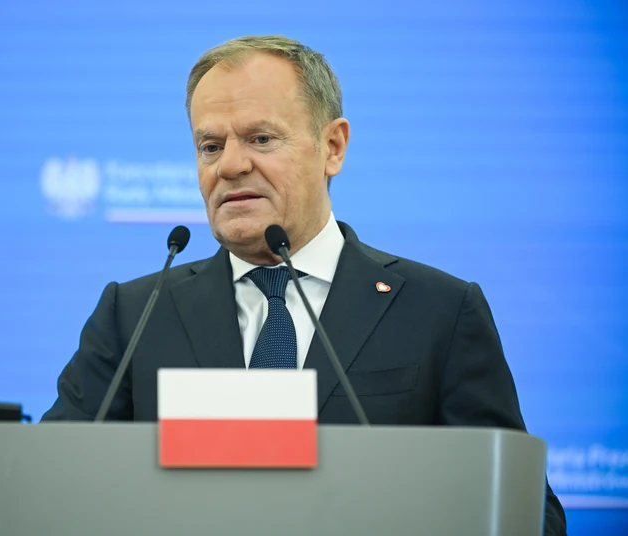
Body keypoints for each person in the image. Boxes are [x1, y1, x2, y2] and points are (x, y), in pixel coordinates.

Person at [42, 35, 566, 534]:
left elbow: (522, 511)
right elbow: (47, 486)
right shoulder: (136, 314)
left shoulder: (440, 311)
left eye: (261, 139)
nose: (230, 165)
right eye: (210, 145)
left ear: (332, 147)